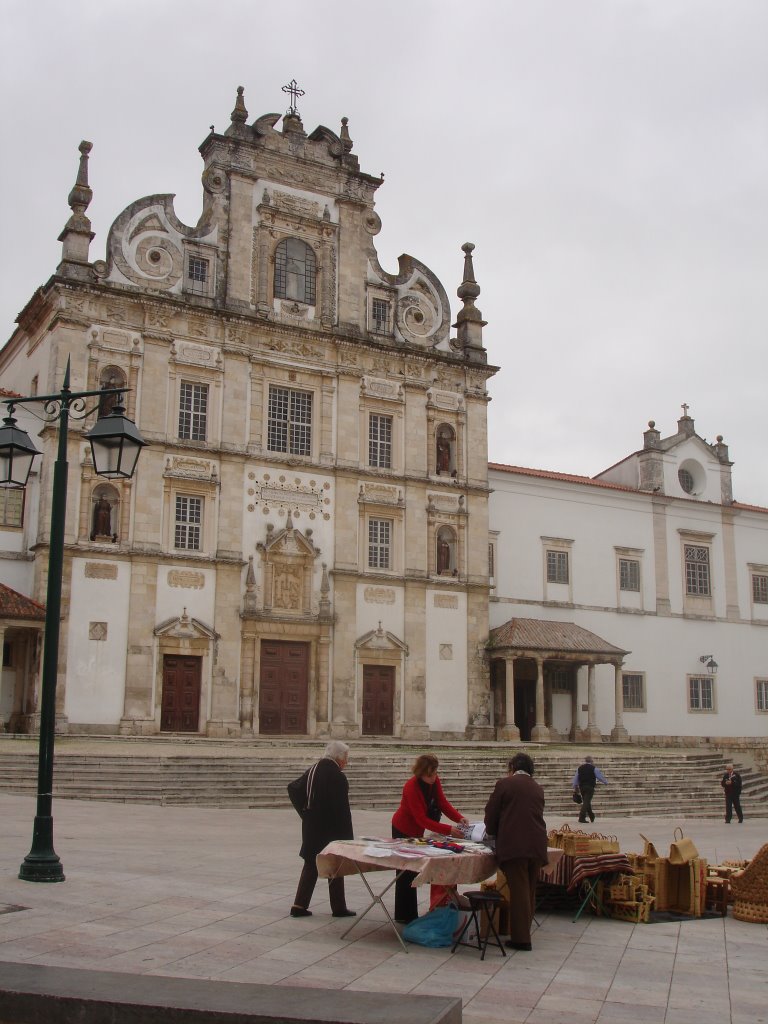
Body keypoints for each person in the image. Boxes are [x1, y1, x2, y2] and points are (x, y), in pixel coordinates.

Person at [391, 753, 468, 924]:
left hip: (416, 830)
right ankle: (404, 914)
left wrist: (458, 818)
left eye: (435, 774)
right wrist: (449, 829)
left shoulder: (434, 780)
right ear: (421, 773)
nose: (434, 778)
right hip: (402, 828)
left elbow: (442, 803)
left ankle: (409, 913)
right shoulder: (411, 787)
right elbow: (421, 819)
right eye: (430, 775)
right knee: (404, 870)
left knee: (413, 870)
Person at [484, 752, 548, 951]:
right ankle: (524, 931)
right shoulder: (537, 788)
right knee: (528, 890)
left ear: (512, 767)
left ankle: (521, 939)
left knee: (519, 891)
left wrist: (491, 832)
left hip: (516, 845)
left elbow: (491, 813)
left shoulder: (505, 784)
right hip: (536, 844)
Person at [290, 740, 356, 918]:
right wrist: (347, 838)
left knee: (311, 863)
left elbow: (294, 789)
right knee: (335, 864)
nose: (347, 762)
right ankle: (338, 907)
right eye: (346, 758)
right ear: (339, 758)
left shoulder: (313, 769)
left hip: (312, 827)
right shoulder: (337, 776)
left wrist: (306, 812)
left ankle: (299, 905)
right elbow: (342, 810)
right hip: (331, 830)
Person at [572, 755, 608, 823]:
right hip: (590, 787)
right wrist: (606, 782)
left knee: (586, 801)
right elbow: (600, 777)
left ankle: (591, 816)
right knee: (586, 802)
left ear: (585, 761)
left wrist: (575, 787)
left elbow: (576, 779)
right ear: (591, 761)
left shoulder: (579, 768)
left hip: (582, 787)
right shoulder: (594, 768)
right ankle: (581, 817)